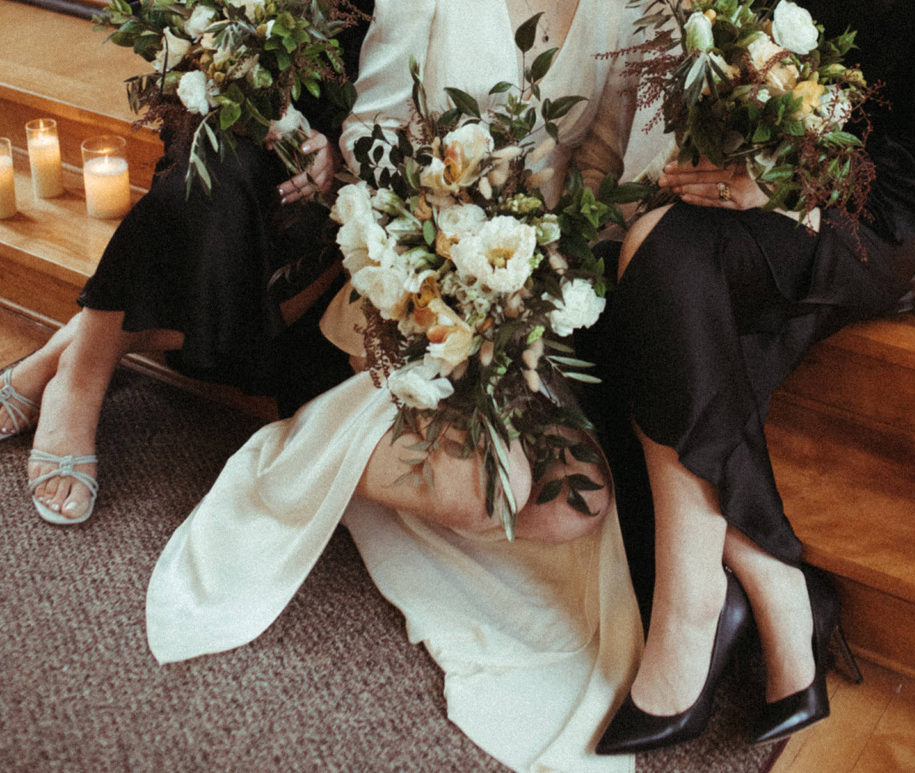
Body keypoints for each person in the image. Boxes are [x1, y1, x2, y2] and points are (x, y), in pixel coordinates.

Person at [145, 2, 646, 770]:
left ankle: (370, 463)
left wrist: (546, 274)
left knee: (577, 506)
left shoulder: (622, 11)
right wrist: (432, 248)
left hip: (525, 310)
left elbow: (599, 174)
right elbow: (368, 133)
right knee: (492, 489)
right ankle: (311, 458)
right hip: (403, 303)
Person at [586, 0, 915, 755]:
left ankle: (699, 607)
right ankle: (774, 582)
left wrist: (798, 175)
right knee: (635, 265)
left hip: (882, 214)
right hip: (758, 186)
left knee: (663, 257)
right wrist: (734, 143)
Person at [0, 1, 374, 525]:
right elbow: (185, 36)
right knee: (207, 188)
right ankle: (80, 384)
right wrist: (236, 99)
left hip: (348, 150)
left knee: (291, 238)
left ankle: (65, 355)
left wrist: (338, 148)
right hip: (223, 108)